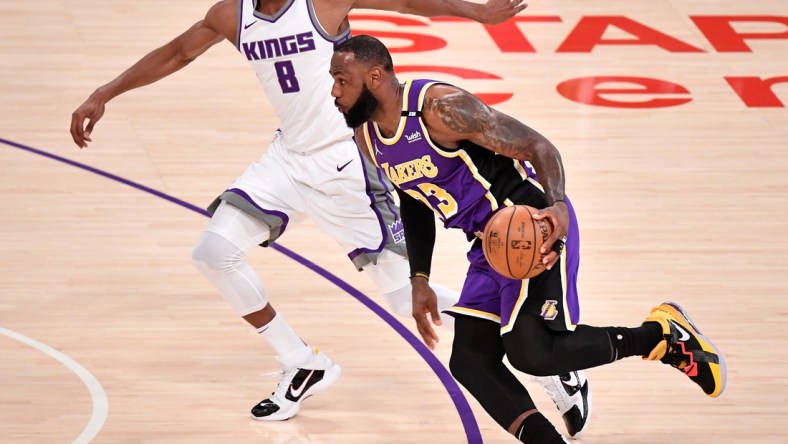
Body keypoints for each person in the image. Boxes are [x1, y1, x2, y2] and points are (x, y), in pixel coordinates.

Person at [69, 0, 591, 431]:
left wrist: (477, 14)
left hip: (349, 163)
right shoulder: (233, 15)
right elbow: (179, 52)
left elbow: (408, 2)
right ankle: (301, 363)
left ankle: (552, 368)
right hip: (288, 159)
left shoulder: (320, 4)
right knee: (214, 250)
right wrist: (105, 91)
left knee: (401, 293)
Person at [329, 34, 727, 443]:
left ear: (374, 76)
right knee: (470, 360)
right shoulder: (369, 139)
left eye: (342, 80)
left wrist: (556, 207)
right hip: (489, 245)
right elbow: (412, 199)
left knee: (532, 351)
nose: (334, 91)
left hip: (529, 224)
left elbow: (539, 146)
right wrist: (420, 277)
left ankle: (662, 336)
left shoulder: (440, 108)